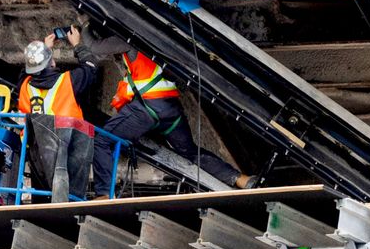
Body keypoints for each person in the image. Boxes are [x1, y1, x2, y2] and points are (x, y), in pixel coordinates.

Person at [90, 48, 251, 198]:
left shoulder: (129, 44)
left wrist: (82, 33)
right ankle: (241, 179)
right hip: (170, 113)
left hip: (147, 112)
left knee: (103, 140)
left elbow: (95, 46)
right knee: (190, 151)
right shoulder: (152, 50)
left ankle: (103, 193)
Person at [16, 26, 97, 201]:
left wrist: (45, 49)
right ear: (51, 62)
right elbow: (90, 67)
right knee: (70, 194)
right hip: (70, 146)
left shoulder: (24, 86)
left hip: (37, 149)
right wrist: (77, 45)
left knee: (43, 194)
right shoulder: (68, 81)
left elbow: (25, 71)